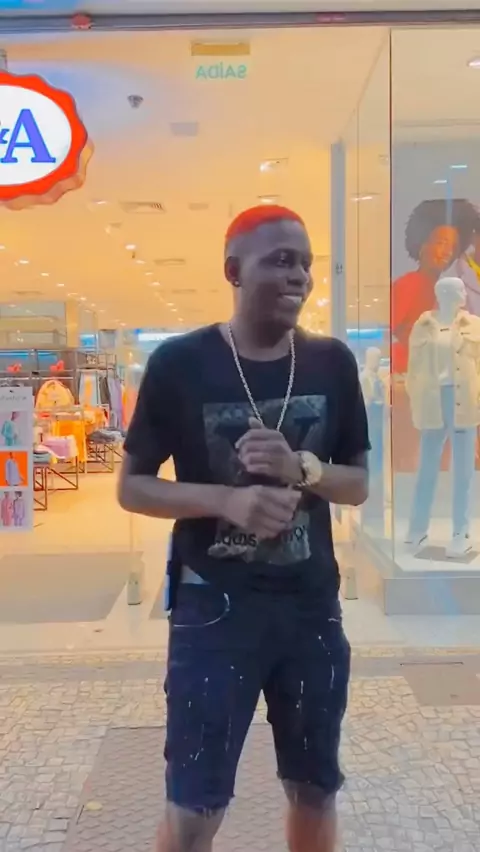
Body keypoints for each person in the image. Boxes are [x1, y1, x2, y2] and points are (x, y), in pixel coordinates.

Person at [118, 204, 370, 852]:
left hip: (311, 606)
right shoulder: (179, 364)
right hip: (213, 609)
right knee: (194, 809)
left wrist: (302, 467)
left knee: (314, 789)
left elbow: (358, 484)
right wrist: (226, 501)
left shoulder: (332, 363)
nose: (300, 276)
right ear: (233, 270)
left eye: (306, 264)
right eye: (281, 261)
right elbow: (132, 486)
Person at [392, 198, 479, 374]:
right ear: (423, 244)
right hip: (412, 370)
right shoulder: (408, 284)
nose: (448, 251)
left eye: (453, 246)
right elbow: (391, 331)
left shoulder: (449, 286)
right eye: (441, 243)